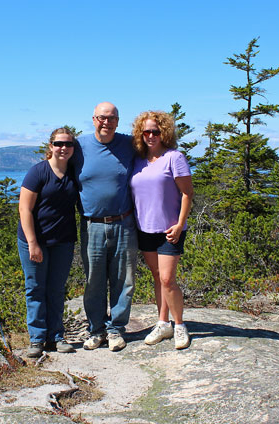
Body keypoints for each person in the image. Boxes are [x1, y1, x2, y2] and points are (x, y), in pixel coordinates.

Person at [72, 102, 137, 352]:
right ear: (93, 119)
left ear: (118, 121)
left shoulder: (129, 145)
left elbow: (156, 151)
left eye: (111, 118)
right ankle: (96, 330)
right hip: (92, 225)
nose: (106, 122)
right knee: (94, 281)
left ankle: (116, 330)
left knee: (123, 280)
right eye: (101, 117)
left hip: (124, 223)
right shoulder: (79, 147)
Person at [130, 110, 194, 349]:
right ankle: (162, 323)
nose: (150, 136)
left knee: (168, 279)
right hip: (144, 229)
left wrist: (179, 224)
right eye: (145, 131)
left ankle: (179, 325)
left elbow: (187, 193)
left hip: (170, 230)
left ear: (164, 133)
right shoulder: (138, 160)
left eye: (155, 131)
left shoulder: (174, 158)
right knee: (158, 278)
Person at [17, 128, 79, 358]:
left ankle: (56, 336)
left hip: (62, 240)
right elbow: (25, 209)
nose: (63, 148)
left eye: (68, 144)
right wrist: (33, 243)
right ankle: (37, 339)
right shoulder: (39, 172)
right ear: (50, 146)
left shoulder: (74, 172)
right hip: (35, 239)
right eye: (58, 143)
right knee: (35, 288)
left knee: (56, 289)